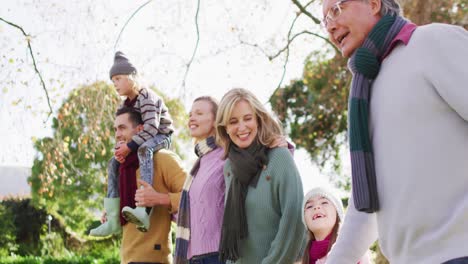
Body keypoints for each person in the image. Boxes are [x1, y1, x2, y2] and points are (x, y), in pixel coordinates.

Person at [320, 0, 468, 263]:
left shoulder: (430, 42)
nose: (330, 26)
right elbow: (365, 205)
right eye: (324, 20)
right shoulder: (364, 93)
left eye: (336, 10)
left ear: (373, 4)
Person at [174, 96, 290, 264]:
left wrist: (280, 148)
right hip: (193, 257)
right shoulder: (198, 165)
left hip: (220, 254)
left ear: (216, 121)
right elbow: (199, 210)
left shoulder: (228, 153)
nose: (191, 117)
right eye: (190, 114)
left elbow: (262, 166)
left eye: (199, 113)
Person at [215, 88, 304, 263]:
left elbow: (294, 219)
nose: (241, 127)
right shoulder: (229, 167)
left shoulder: (279, 156)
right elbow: (233, 233)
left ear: (258, 119)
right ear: (225, 128)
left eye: (247, 118)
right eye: (233, 121)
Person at [90, 51, 174, 236]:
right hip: (141, 138)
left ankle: (143, 209)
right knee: (113, 163)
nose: (115, 84)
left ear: (132, 77)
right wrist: (120, 150)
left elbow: (152, 127)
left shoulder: (147, 97)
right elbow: (122, 132)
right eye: (113, 81)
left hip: (161, 135)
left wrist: (130, 147)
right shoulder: (124, 107)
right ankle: (112, 218)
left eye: (118, 79)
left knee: (144, 150)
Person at [103, 107, 186, 263]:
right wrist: (112, 212)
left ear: (140, 130)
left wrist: (160, 198)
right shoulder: (124, 168)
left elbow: (195, 197)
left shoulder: (163, 158)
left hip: (155, 258)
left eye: (122, 128)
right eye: (115, 129)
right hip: (127, 259)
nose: (117, 134)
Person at [301, 187, 370, 264]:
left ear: (337, 213)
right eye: (309, 206)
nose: (316, 207)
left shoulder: (352, 247)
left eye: (324, 202)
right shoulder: (304, 258)